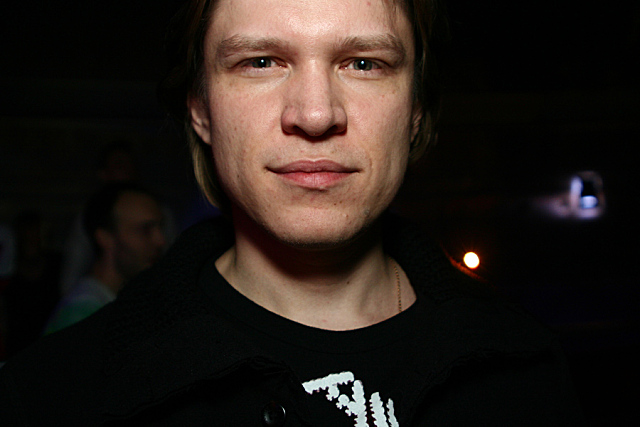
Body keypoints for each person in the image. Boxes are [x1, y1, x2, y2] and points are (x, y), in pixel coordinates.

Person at [0, 0, 582, 425]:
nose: (315, 113)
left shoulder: (526, 370)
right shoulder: (55, 397)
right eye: (261, 61)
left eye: (364, 63)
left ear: (414, 110)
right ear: (201, 110)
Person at [44, 183, 166, 334]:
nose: (160, 240)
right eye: (145, 229)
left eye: (161, 227)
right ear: (105, 237)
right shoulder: (83, 314)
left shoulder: (112, 304)